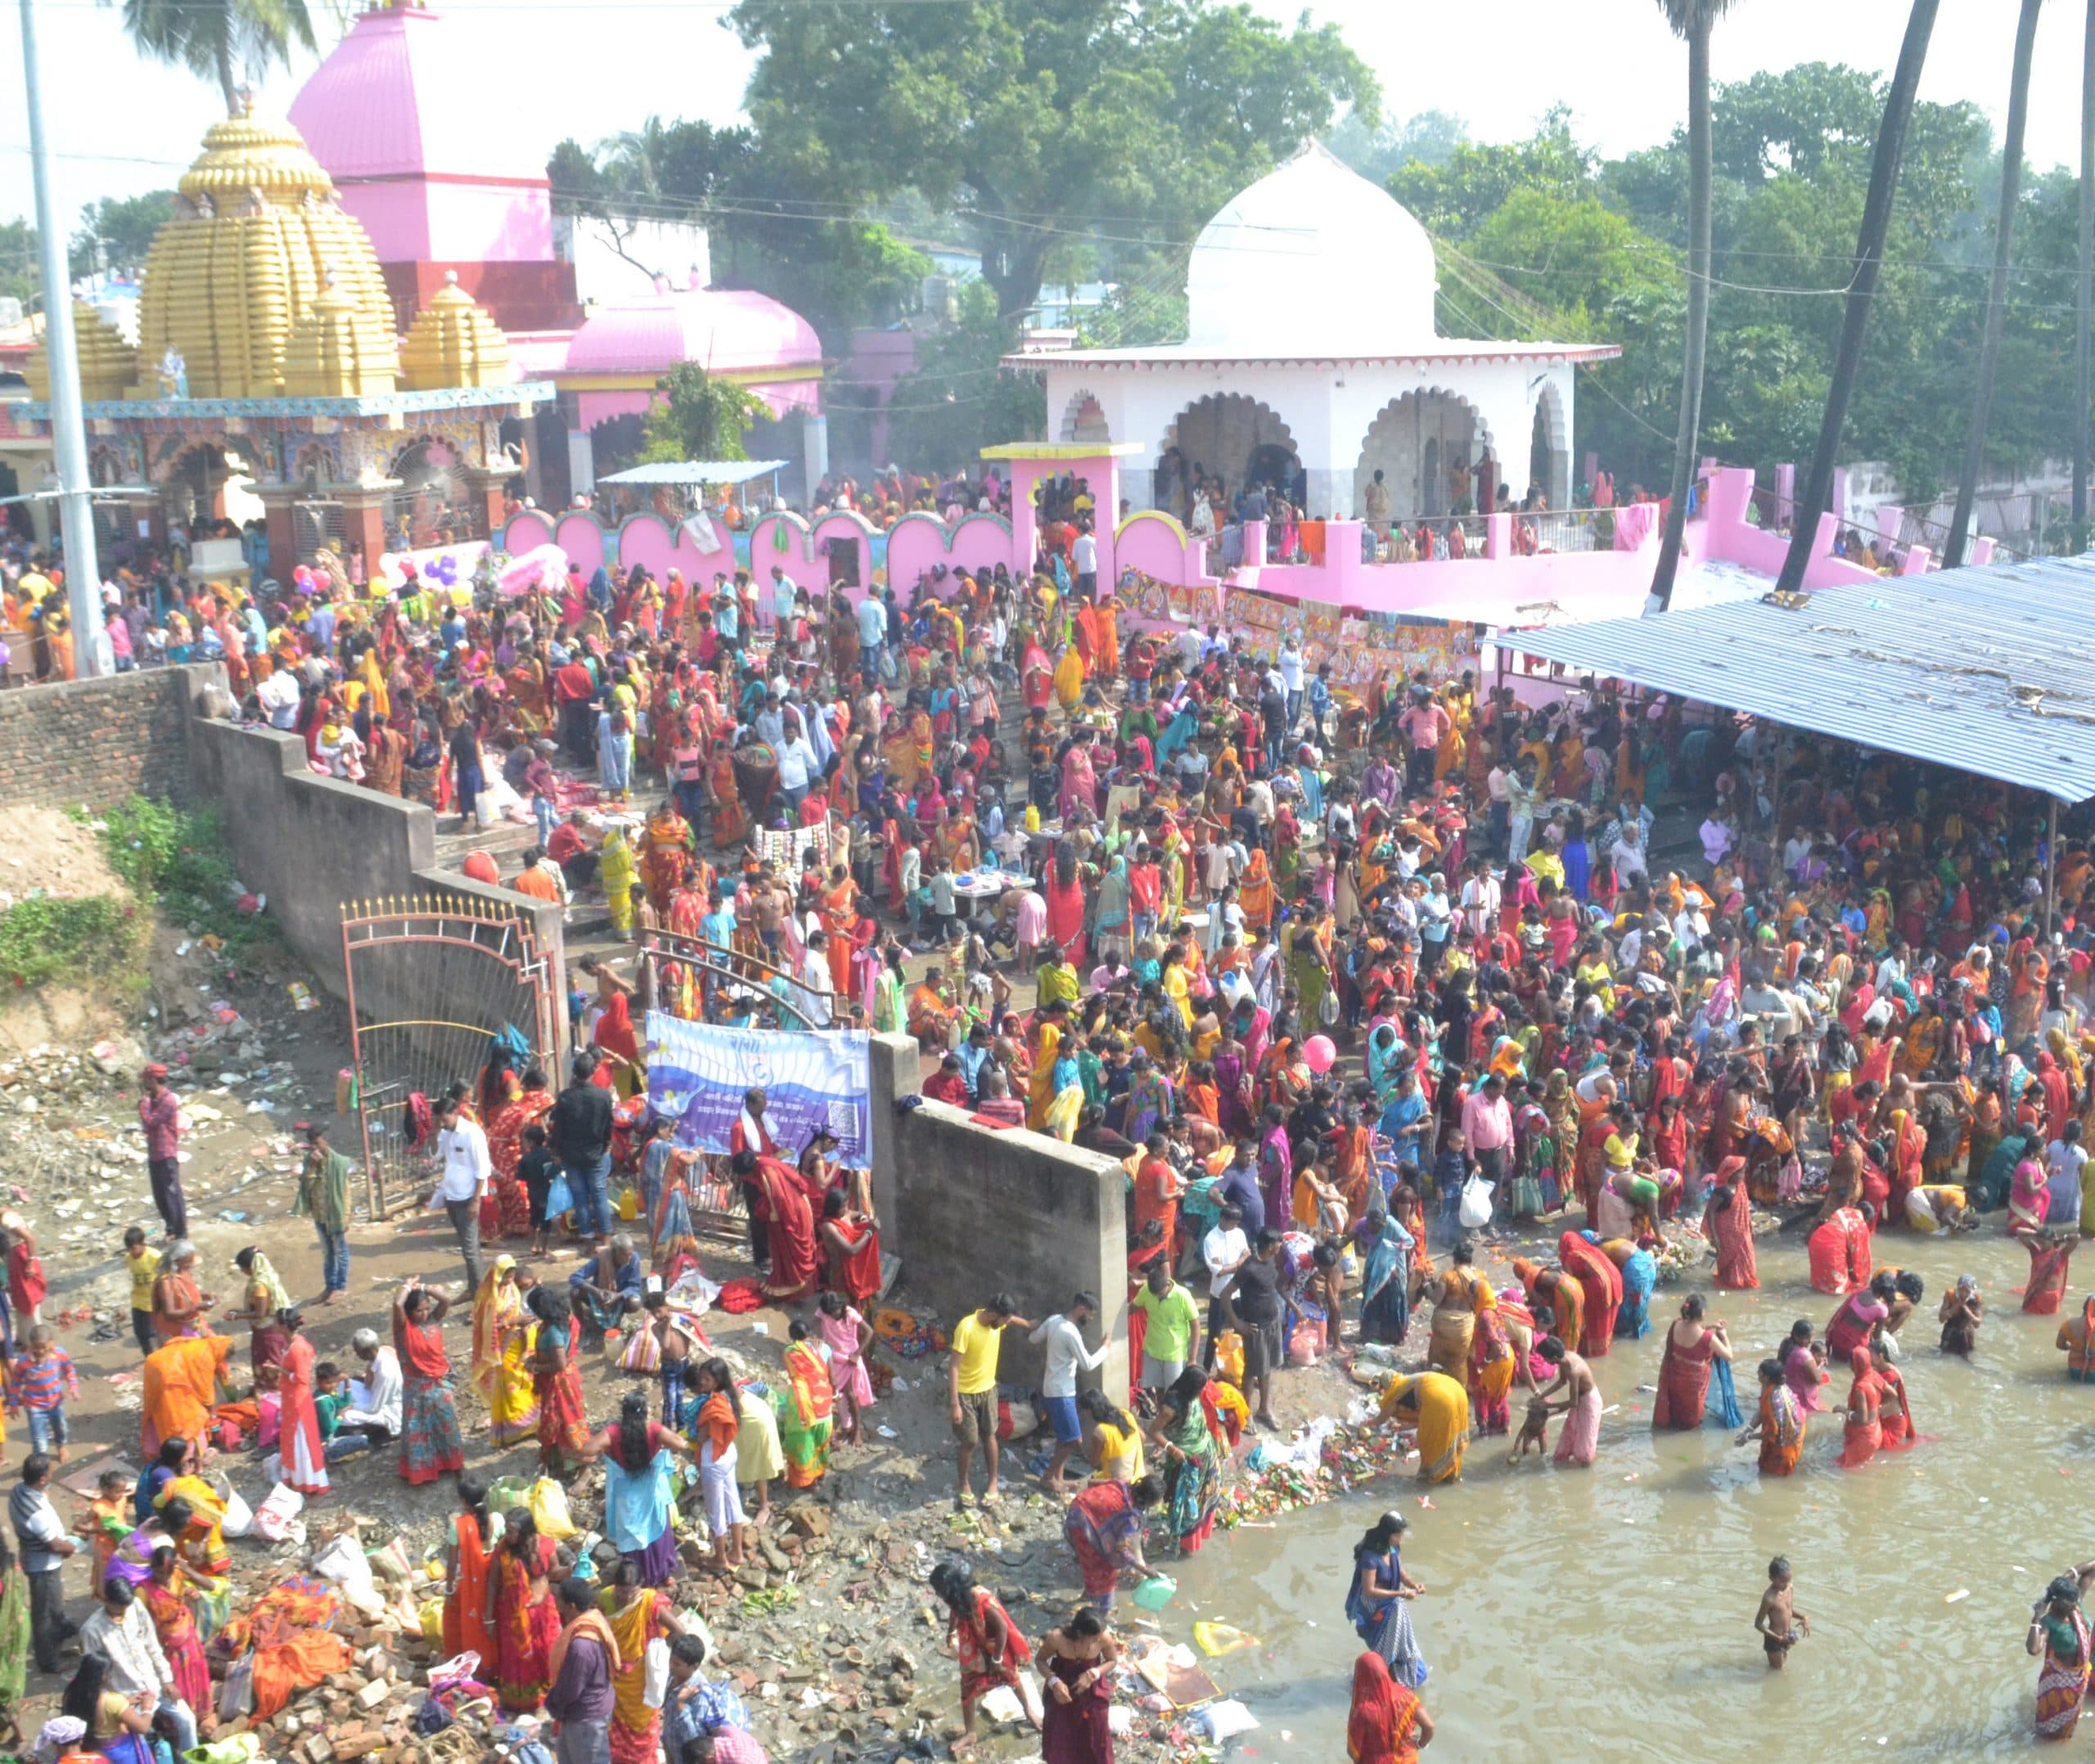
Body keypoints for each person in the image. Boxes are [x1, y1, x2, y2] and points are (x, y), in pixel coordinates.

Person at [79, 1575, 195, 1757]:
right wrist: (117, 1706)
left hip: (154, 1684)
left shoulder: (136, 1607)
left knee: (187, 1720)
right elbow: (93, 1673)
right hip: (127, 1695)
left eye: (126, 1608)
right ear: (105, 1600)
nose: (124, 1613)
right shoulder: (92, 1631)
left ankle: (192, 1759)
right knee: (141, 1743)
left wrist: (167, 1680)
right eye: (119, 1610)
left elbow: (151, 1644)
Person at [929, 1559, 1038, 1748]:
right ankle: (970, 1733)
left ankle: (1029, 1710)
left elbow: (1002, 1629)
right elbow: (955, 1612)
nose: (938, 1594)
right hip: (973, 1643)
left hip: (995, 1645)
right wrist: (951, 1631)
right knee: (968, 1686)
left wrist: (996, 1658)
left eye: (939, 1590)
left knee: (1011, 1677)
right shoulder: (955, 1597)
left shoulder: (981, 1599)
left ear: (948, 1587)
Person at [948, 1295, 1032, 1508]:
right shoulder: (966, 1328)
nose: (1005, 1324)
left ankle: (993, 1481)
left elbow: (1012, 1321)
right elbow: (954, 1366)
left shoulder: (997, 1324)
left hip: (988, 1390)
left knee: (990, 1436)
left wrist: (1029, 1325)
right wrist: (955, 1404)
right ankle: (964, 1484)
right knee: (969, 1441)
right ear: (994, 1315)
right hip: (965, 1393)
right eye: (1004, 1320)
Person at [601, 1558, 680, 1764]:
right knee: (615, 1718)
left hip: (641, 1676)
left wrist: (665, 1657)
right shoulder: (605, 1598)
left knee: (642, 1721)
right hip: (615, 1671)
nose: (626, 1597)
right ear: (614, 1586)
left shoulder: (651, 1603)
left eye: (632, 1592)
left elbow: (680, 1631)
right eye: (622, 1591)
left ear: (641, 1586)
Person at [1145, 1365, 1227, 1552]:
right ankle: (1185, 1544)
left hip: (1206, 1452)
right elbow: (1153, 1431)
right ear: (1192, 1387)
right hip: (1187, 1461)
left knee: (1207, 1494)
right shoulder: (1171, 1407)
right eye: (1201, 1388)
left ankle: (1200, 1534)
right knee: (1187, 1503)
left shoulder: (1192, 1396)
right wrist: (1170, 1448)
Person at [1032, 1294, 1109, 1492]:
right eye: (1090, 1315)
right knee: (1074, 1439)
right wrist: (1105, 1348)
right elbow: (1088, 1364)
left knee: (1063, 1437)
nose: (1090, 1319)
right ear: (1081, 1309)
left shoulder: (1054, 1321)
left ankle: (1059, 1478)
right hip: (1062, 1392)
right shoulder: (1070, 1332)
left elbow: (1034, 1339)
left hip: (1053, 1388)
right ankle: (1048, 1477)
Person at [489, 1508, 560, 1712]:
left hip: (542, 1616)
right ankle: (520, 1703)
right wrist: (488, 1618)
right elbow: (493, 1583)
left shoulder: (544, 1545)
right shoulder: (502, 1549)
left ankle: (547, 1698)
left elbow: (553, 1573)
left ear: (525, 1532)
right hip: (512, 1617)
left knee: (544, 1652)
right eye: (507, 1530)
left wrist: (571, 1570)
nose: (507, 1535)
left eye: (512, 1531)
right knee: (517, 1658)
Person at [395, 1278, 465, 1487]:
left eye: (426, 1309)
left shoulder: (433, 1321)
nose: (424, 1314)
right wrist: (408, 1286)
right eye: (418, 1310)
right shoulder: (404, 1328)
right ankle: (421, 1470)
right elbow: (397, 1304)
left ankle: (453, 1464)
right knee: (418, 1428)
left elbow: (446, 1301)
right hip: (416, 1385)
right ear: (409, 1312)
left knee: (446, 1422)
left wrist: (424, 1288)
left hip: (437, 1381)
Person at [1346, 1511, 1428, 1685]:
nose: (1400, 1538)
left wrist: (1413, 1585)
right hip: (1374, 1607)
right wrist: (1402, 1593)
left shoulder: (1392, 1547)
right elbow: (1369, 1590)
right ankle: (1378, 1670)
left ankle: (1391, 1666)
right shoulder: (1370, 1556)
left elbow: (1401, 1572)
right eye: (1397, 1535)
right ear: (1387, 1534)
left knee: (1398, 1613)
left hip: (1391, 1602)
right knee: (1398, 1607)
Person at [11, 1453, 74, 1673]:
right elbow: (57, 1546)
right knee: (46, 1614)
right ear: (41, 1480)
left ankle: (54, 1646)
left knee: (49, 1609)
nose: (52, 1473)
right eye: (49, 1472)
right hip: (44, 1567)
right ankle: (49, 1661)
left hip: (31, 1557)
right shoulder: (36, 1513)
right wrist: (73, 1547)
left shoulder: (20, 1490)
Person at [545, 1577, 618, 1764]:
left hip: (586, 1717)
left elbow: (571, 1690)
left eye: (559, 1598)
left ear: (571, 1606)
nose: (555, 1601)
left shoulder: (581, 1645)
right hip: (589, 1709)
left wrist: (553, 1702)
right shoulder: (593, 1621)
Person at [1061, 1475, 1160, 1613]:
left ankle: (1088, 1594)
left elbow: (1092, 1482)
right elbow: (1122, 1550)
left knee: (1090, 1563)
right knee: (1104, 1570)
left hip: (1077, 1507)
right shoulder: (1130, 1517)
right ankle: (1104, 1612)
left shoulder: (1123, 1484)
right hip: (1082, 1525)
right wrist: (1144, 1570)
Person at [471, 1257, 540, 1448]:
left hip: (519, 1339)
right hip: (500, 1347)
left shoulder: (512, 1289)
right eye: (506, 1278)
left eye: (511, 1278)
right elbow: (484, 1327)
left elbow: (517, 1308)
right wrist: (511, 1323)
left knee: (526, 1379)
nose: (509, 1282)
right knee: (510, 1384)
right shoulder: (488, 1296)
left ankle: (532, 1422)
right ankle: (514, 1429)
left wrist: (522, 1324)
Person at [1037, 1607, 1120, 1764]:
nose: (1098, 1640)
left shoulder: (1104, 1637)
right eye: (1094, 1638)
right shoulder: (1057, 1638)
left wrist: (1093, 1674)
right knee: (1061, 1734)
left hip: (1092, 1690)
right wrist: (1053, 1682)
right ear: (1080, 1634)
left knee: (1096, 1733)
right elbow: (1040, 1660)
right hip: (1062, 1691)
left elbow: (1112, 1660)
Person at [691, 1358, 747, 1574]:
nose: (702, 1382)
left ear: (717, 1381)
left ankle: (721, 1557)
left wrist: (696, 1433)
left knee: (716, 1510)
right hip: (728, 1453)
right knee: (733, 1500)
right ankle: (738, 1552)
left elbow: (703, 1436)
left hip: (713, 1459)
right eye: (701, 1378)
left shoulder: (713, 1405)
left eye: (707, 1379)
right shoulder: (730, 1396)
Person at [432, 1093, 492, 1290]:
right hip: (451, 1196)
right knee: (469, 1247)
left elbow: (482, 1169)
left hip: (468, 1198)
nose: (442, 1123)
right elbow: (437, 1156)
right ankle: (475, 1287)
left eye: (444, 1119)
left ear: (455, 1113)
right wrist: (435, 1133)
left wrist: (476, 1201)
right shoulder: (445, 1132)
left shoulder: (472, 1133)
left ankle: (478, 1293)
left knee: (470, 1249)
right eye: (439, 1119)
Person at [2030, 1562, 2095, 1739]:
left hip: (2081, 1677)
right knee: (2051, 1732)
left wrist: (2070, 1574)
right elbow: (2034, 1649)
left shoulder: (2075, 1608)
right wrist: (2036, 1618)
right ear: (2058, 1603)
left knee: (2070, 1724)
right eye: (2072, 1602)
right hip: (2061, 1684)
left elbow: (2091, 1570)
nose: (2076, 1604)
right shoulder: (2049, 1623)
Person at [294, 1123, 356, 1303]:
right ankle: (329, 1287)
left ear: (326, 1141)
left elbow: (346, 1192)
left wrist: (346, 1216)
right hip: (319, 1215)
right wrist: (312, 1167)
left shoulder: (340, 1163)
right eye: (311, 1144)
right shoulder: (309, 1162)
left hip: (336, 1215)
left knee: (340, 1252)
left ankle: (341, 1287)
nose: (314, 1148)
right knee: (327, 1253)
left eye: (317, 1143)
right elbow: (307, 1186)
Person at [1651, 1294, 1730, 1430]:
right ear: (1703, 1313)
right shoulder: (1708, 1337)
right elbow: (1728, 1355)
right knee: (1691, 1423)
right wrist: (1724, 1335)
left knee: (1675, 1411)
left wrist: (1710, 1326)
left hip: (1675, 1379)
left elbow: (1692, 1329)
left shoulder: (1676, 1324)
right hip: (1694, 1386)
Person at [1376, 1370, 1471, 1483]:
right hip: (1458, 1392)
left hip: (1441, 1400)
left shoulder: (1396, 1390)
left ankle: (1431, 1476)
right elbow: (1423, 1416)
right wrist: (1403, 1428)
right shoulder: (1410, 1381)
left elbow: (1384, 1414)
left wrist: (1371, 1422)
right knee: (1452, 1435)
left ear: (1387, 1385)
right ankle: (1451, 1476)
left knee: (1429, 1441)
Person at [442, 1477, 496, 1670]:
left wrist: (448, 1590)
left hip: (472, 1586)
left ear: (463, 1501)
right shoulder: (497, 1520)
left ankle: (473, 1667)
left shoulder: (458, 1526)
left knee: (456, 1617)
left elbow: (451, 1565)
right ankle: (495, 1665)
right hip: (495, 1582)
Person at [775, 1321, 835, 1490]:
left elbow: (796, 1373)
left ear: (791, 1337)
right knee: (821, 1442)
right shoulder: (824, 1349)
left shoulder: (790, 1351)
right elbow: (833, 1379)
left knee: (802, 1443)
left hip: (803, 1406)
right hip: (824, 1406)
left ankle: (806, 1481)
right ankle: (820, 1476)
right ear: (809, 1332)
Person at [276, 1308, 328, 1496]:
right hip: (292, 1399)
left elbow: (302, 1378)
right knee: (293, 1438)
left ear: (283, 1327)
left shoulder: (297, 1348)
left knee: (301, 1440)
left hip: (298, 1401)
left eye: (276, 1323)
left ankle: (308, 1480)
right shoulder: (294, 1344)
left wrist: (280, 1371)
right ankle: (297, 1478)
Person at [1346, 1650, 1434, 1764]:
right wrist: (1420, 1744)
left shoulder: (1362, 1711)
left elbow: (1353, 1751)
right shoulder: (1406, 1696)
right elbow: (1429, 1726)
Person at [1129, 1262, 1200, 1393]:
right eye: (1154, 1295)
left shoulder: (1183, 1296)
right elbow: (1132, 1307)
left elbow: (1196, 1326)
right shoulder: (1146, 1291)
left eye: (1160, 1294)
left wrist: (1193, 1358)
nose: (1157, 1297)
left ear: (1168, 1284)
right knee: (1157, 1390)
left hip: (1175, 1354)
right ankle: (1160, 1411)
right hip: (1152, 1351)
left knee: (1174, 1393)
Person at [1535, 1337, 1600, 1468]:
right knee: (1570, 1434)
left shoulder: (1573, 1371)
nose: (1544, 1360)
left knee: (1586, 1448)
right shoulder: (1565, 1359)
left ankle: (1584, 1474)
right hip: (1579, 1398)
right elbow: (1562, 1382)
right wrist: (1542, 1396)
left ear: (1553, 1357)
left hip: (1589, 1401)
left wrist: (1549, 1407)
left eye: (1545, 1358)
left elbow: (1573, 1403)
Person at [138, 1064, 186, 1239]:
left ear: (153, 1080)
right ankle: (171, 1228)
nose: (145, 1083)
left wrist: (143, 1105)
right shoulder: (154, 1099)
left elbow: (150, 1122)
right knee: (160, 1196)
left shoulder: (167, 1100)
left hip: (166, 1155)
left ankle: (181, 1234)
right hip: (155, 1153)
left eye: (146, 1079)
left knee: (172, 1195)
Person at [1754, 1556, 1809, 1671]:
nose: (1786, 1584)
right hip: (1774, 1640)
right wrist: (1778, 1638)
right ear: (1771, 1578)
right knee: (1777, 1672)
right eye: (1782, 1581)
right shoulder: (1769, 1598)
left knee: (1781, 1669)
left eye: (1788, 1580)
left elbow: (1788, 1611)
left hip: (1787, 1636)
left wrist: (1804, 1617)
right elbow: (1758, 1623)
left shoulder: (1790, 1588)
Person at [1940, 1274, 1983, 1357]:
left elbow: (1977, 1323)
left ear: (1972, 1291)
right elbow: (1941, 1318)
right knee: (1944, 1354)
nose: (1963, 1293)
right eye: (1961, 1290)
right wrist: (1956, 1305)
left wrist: (1965, 1308)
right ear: (1957, 1288)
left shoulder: (1976, 1299)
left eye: (1967, 1291)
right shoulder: (1950, 1295)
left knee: (1965, 1356)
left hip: (1966, 1332)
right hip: (1950, 1329)